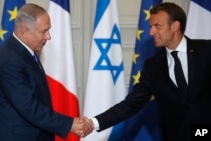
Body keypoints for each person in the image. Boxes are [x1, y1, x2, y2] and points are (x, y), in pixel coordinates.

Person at [82, 2, 211, 141]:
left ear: (175, 26)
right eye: (151, 27)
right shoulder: (152, 67)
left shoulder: (206, 50)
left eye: (157, 26)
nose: (151, 32)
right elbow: (131, 104)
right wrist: (93, 123)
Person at [0, 3, 91, 141]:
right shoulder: (10, 60)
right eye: (43, 31)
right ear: (25, 32)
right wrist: (71, 124)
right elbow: (29, 107)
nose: (48, 36)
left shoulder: (24, 52)